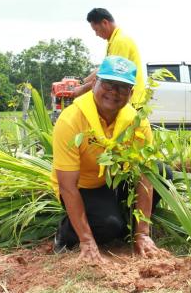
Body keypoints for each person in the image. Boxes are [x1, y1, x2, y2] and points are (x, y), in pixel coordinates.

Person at [52, 56, 163, 264]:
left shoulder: (137, 122)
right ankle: (66, 233)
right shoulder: (71, 120)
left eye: (122, 87)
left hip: (112, 178)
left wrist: (142, 232)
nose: (114, 92)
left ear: (130, 94)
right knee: (108, 225)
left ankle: (128, 230)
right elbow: (67, 186)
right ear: (94, 83)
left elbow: (144, 177)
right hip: (83, 185)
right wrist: (86, 240)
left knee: (163, 174)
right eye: (109, 84)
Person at [73, 8, 146, 106]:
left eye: (96, 30)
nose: (96, 34)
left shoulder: (120, 41)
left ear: (104, 22)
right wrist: (82, 82)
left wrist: (82, 89)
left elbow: (111, 75)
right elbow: (103, 69)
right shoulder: (113, 41)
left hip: (131, 99)